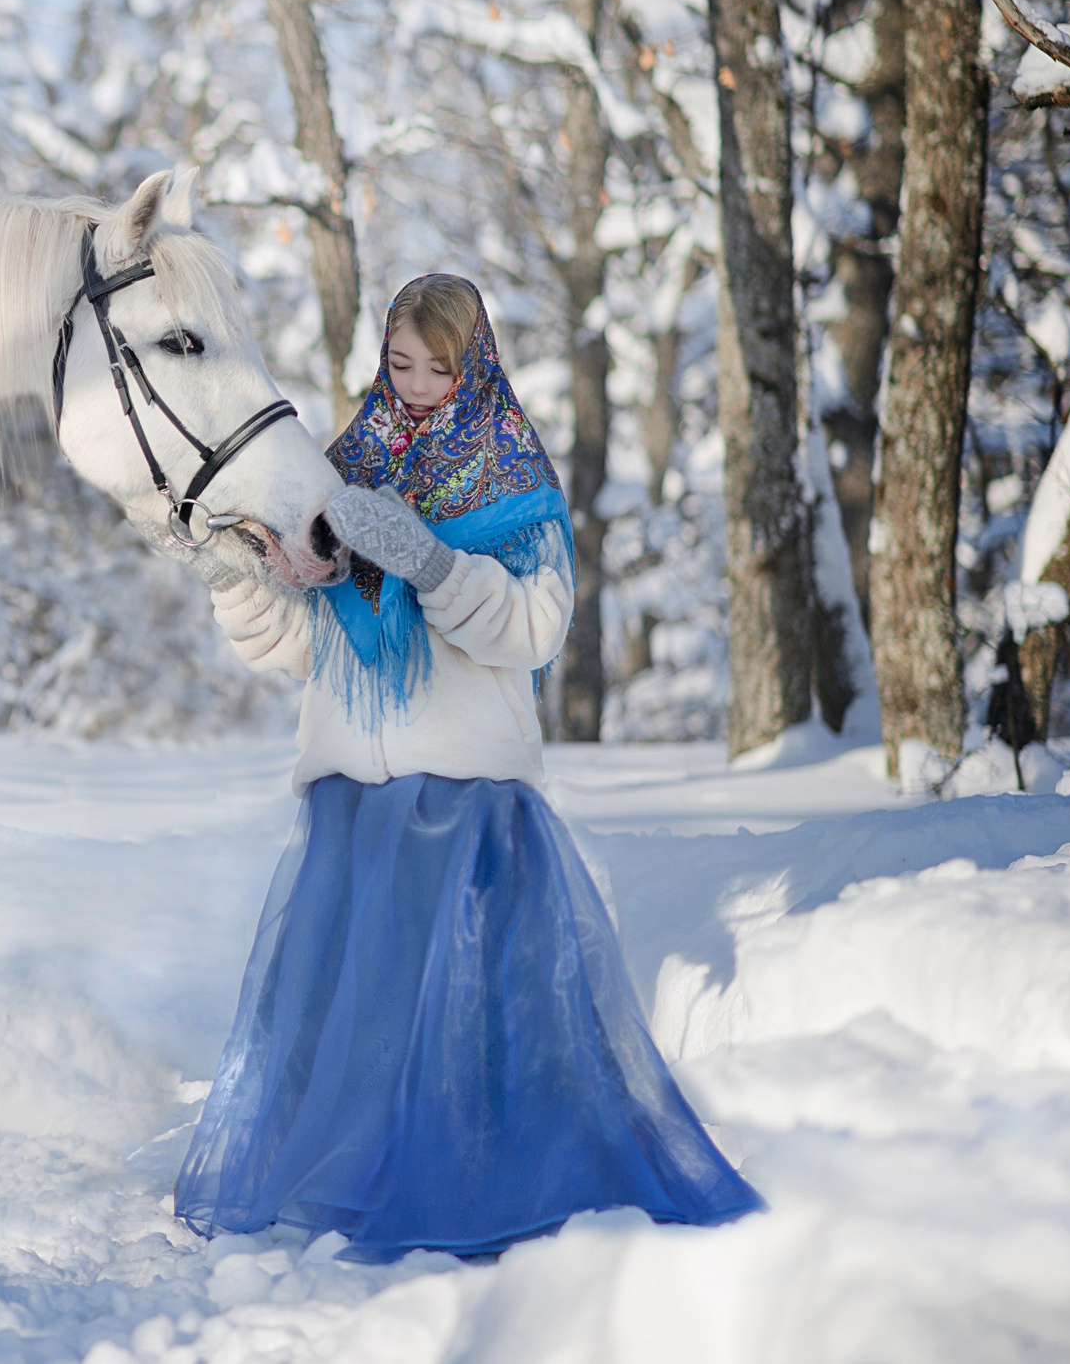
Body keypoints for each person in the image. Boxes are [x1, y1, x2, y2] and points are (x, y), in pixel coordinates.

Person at [175, 273, 760, 1260]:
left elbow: (535, 628)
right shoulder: (339, 467)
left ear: (473, 362)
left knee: (463, 1015)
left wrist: (433, 562)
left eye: (434, 368)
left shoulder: (510, 473)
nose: (411, 384)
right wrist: (250, 578)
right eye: (398, 363)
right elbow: (300, 648)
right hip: (350, 799)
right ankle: (346, 1182)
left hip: (463, 796)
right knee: (349, 1019)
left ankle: (482, 1189)